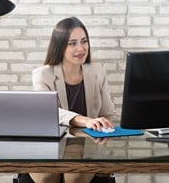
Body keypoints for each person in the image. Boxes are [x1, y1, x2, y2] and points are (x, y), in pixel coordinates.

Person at [30, 17, 116, 183]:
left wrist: (104, 132)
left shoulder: (98, 71)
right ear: (60, 46)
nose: (81, 48)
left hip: (87, 144)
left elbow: (107, 113)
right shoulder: (42, 74)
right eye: (72, 43)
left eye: (84, 41)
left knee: (75, 176)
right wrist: (86, 120)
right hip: (49, 144)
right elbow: (46, 112)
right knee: (48, 175)